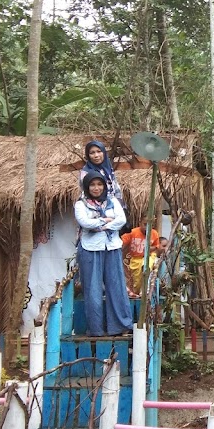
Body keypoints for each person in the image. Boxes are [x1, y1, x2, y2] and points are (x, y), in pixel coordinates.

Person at [75, 170, 134, 336]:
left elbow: (121, 220)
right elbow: (85, 223)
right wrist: (105, 220)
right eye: (92, 185)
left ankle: (121, 326)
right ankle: (96, 329)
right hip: (91, 248)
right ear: (87, 187)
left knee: (117, 287)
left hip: (112, 247)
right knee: (93, 290)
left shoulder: (113, 201)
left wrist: (101, 226)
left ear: (104, 186)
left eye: (99, 184)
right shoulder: (81, 204)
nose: (96, 188)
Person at [121, 221, 159, 298]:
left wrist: (148, 248)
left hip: (149, 256)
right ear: (140, 223)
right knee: (137, 283)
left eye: (150, 225)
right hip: (135, 259)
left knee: (146, 266)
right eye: (145, 224)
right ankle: (138, 294)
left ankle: (145, 290)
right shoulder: (133, 232)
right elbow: (121, 244)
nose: (147, 227)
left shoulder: (154, 233)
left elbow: (156, 246)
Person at [79, 140, 123, 205]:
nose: (96, 155)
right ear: (88, 155)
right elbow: (87, 194)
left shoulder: (107, 167)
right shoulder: (86, 173)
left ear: (104, 153)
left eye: (99, 151)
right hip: (96, 207)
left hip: (115, 204)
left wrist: (118, 204)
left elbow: (115, 187)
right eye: (92, 153)